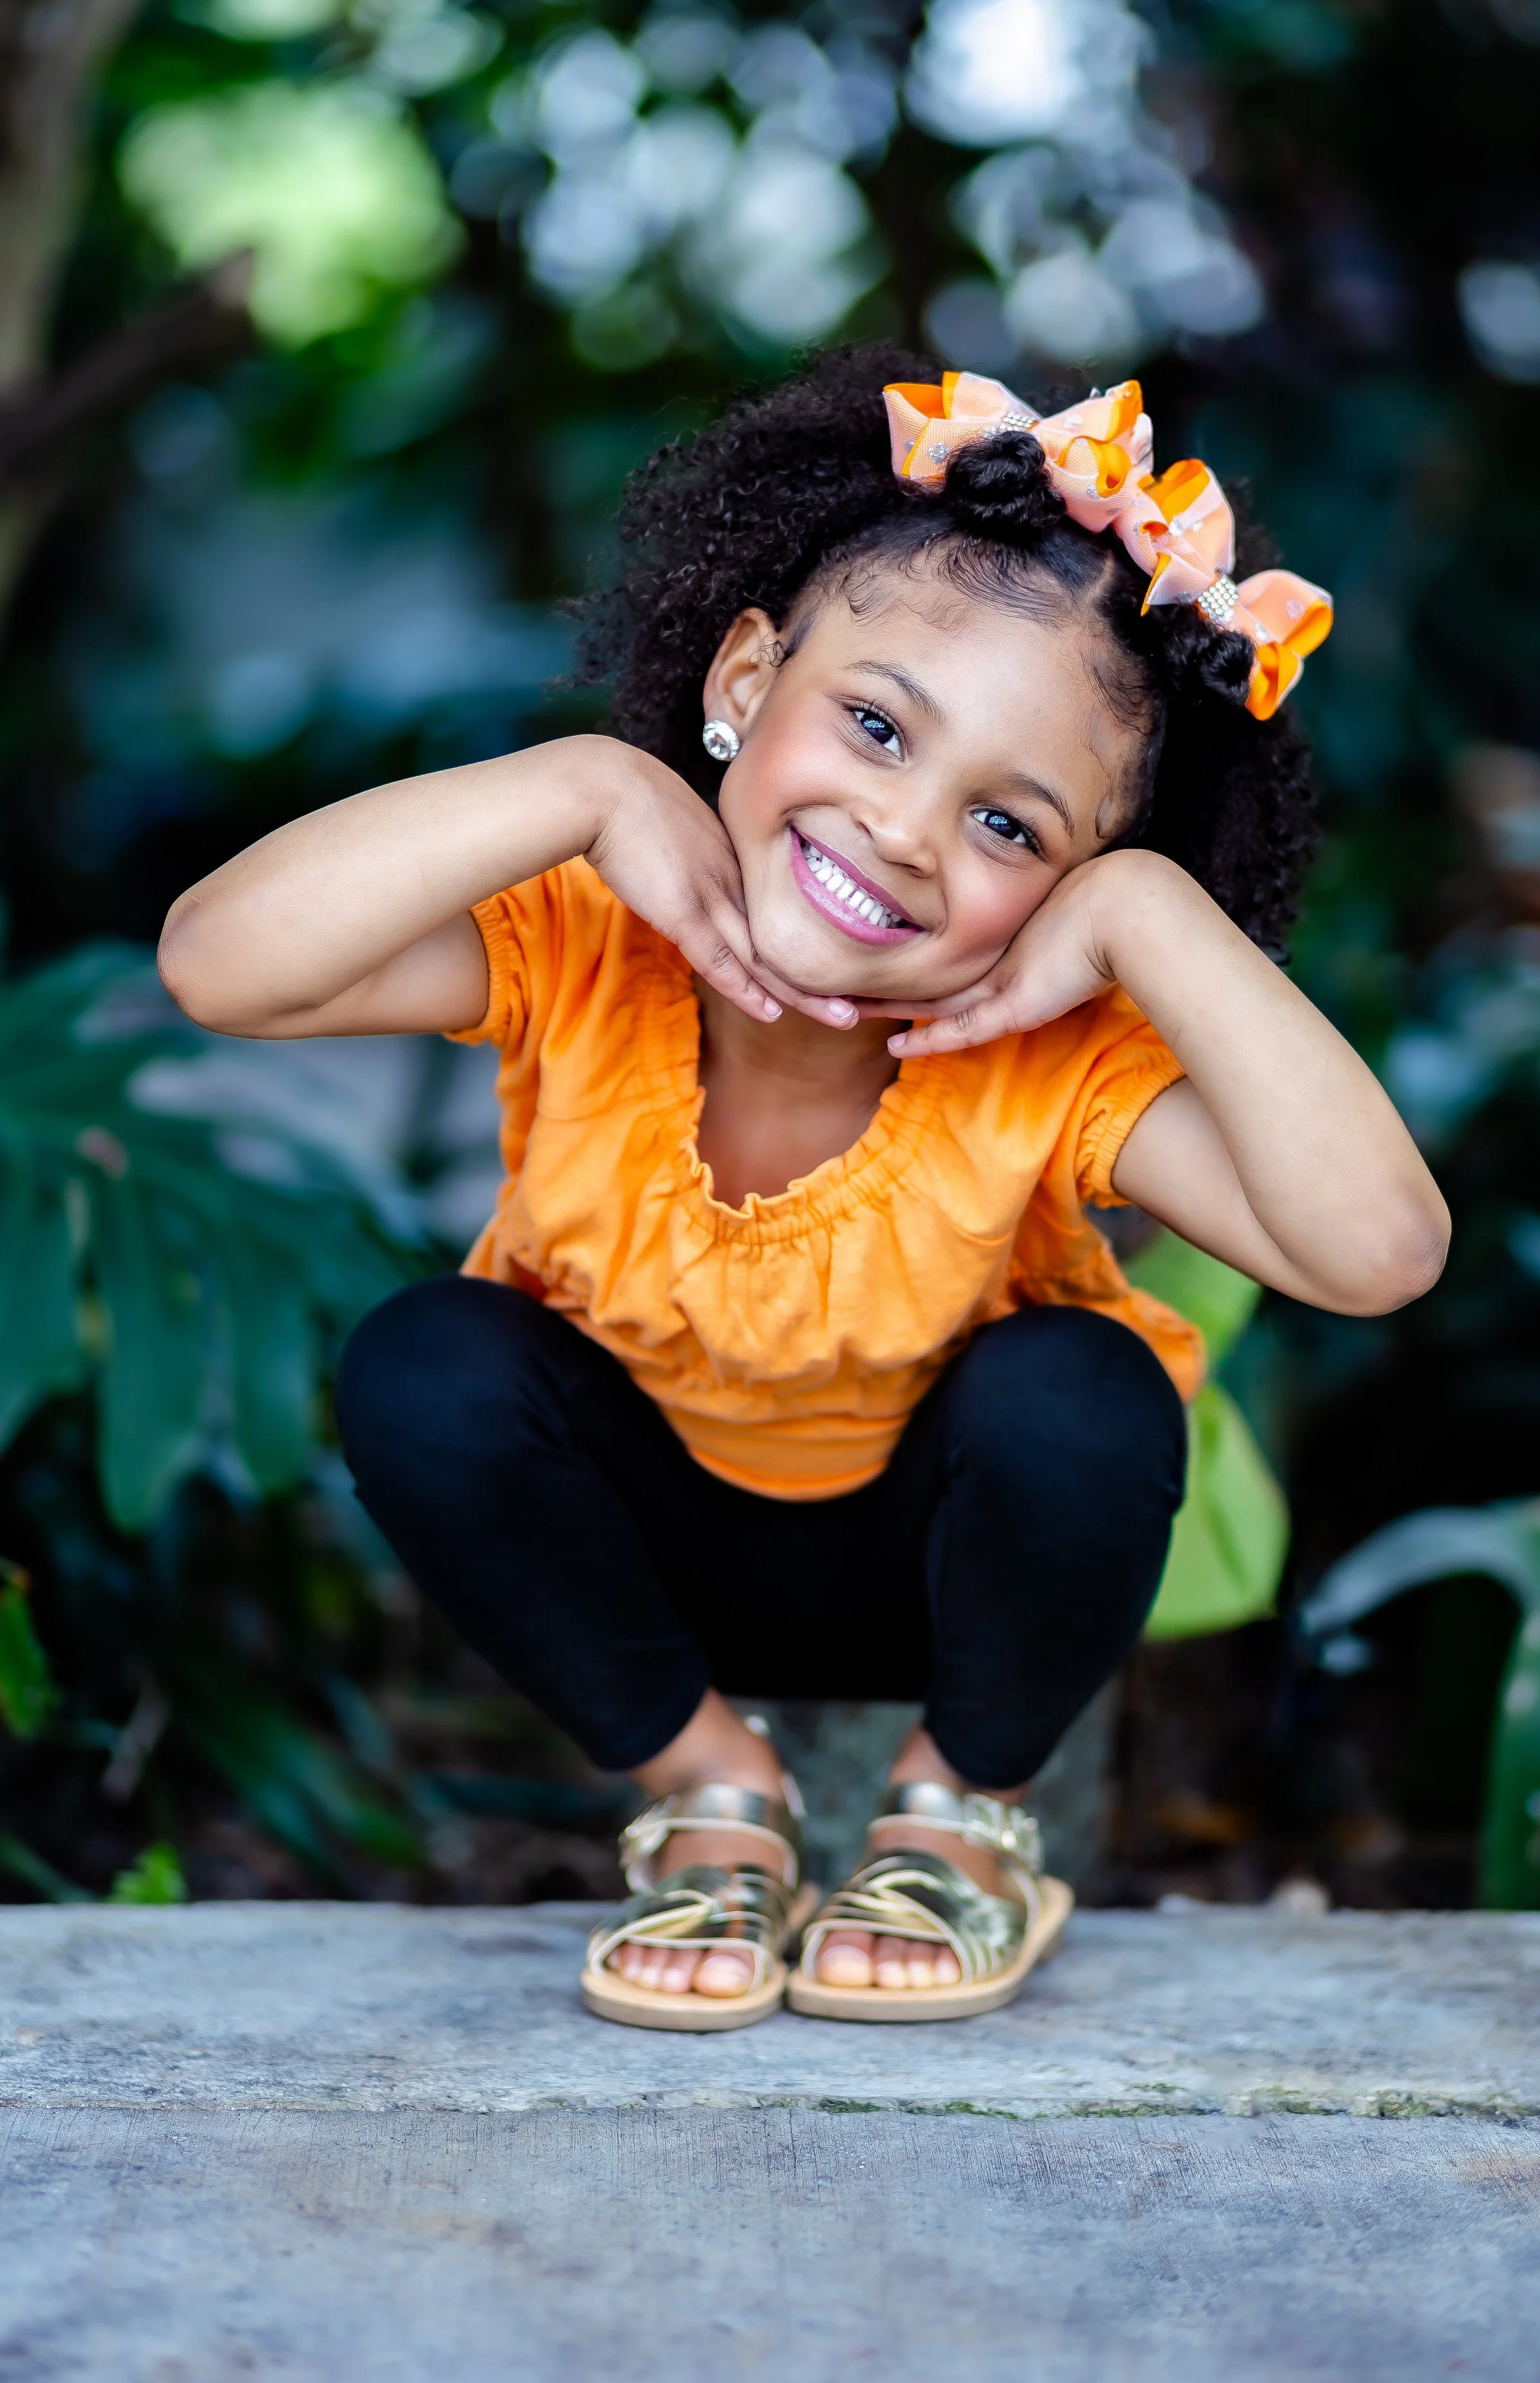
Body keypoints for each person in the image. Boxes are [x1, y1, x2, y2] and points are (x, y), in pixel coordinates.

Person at [159, 346, 1449, 2030]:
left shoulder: (1045, 1057)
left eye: (1009, 824)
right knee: (429, 1359)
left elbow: (1379, 1252)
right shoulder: (583, 941)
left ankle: (958, 1820)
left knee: (1086, 1386)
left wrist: (1146, 918)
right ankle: (712, 1791)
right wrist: (585, 784)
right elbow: (217, 966)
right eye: (870, 724)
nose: (906, 829)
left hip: (937, 1592)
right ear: (744, 675)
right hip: (651, 1560)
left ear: (1068, 886)